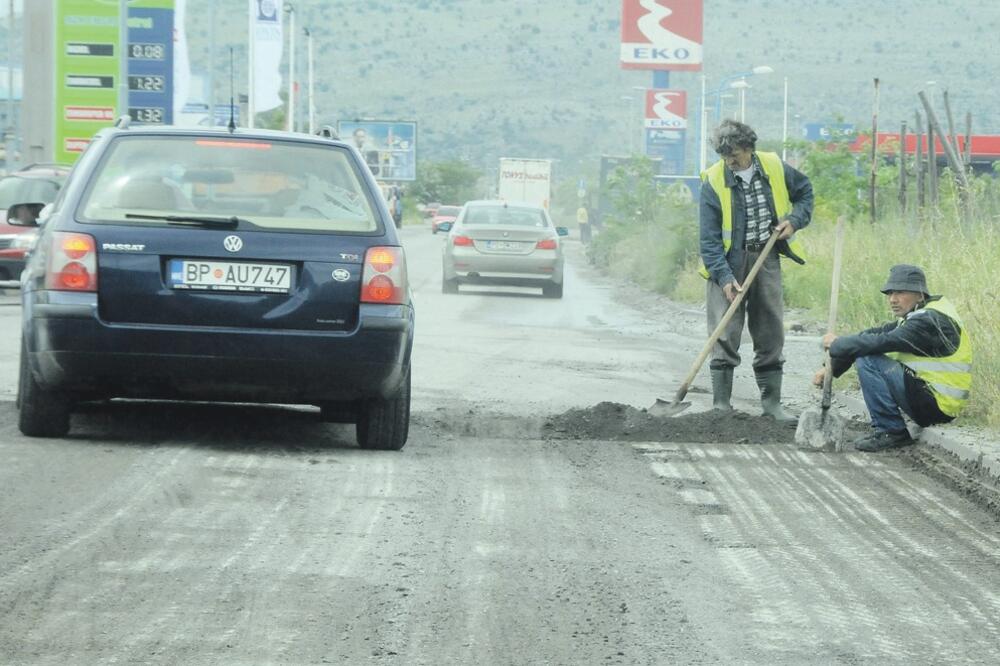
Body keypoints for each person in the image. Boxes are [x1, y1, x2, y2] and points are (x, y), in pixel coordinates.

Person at [699, 119, 814, 422]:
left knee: (770, 330)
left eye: (734, 154)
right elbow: (709, 240)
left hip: (766, 258)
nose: (730, 161)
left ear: (749, 148)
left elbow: (805, 194)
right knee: (724, 331)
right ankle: (721, 405)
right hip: (726, 263)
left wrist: (794, 220)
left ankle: (772, 406)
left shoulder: (774, 166)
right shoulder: (712, 181)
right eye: (724, 156)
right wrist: (724, 278)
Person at [814, 264, 972, 452]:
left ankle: (891, 431)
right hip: (929, 398)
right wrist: (832, 368)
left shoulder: (930, 321)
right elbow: (869, 336)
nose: (892, 300)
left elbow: (883, 342)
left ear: (920, 295)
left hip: (938, 406)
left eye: (900, 292)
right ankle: (890, 428)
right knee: (866, 348)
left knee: (869, 359)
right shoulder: (915, 315)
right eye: (889, 293)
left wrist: (837, 344)